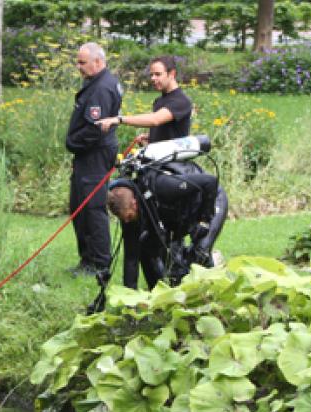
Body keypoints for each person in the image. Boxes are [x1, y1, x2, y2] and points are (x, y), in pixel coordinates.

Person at [106, 165, 227, 290]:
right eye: (123, 219)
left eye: (129, 216)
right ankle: (157, 291)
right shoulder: (129, 214)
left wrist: (204, 220)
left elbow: (210, 181)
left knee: (200, 253)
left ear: (134, 203)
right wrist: (129, 298)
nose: (126, 221)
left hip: (211, 201)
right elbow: (131, 258)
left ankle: (213, 262)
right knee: (149, 249)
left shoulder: (162, 186)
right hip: (179, 217)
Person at [65, 42, 123, 277]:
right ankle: (87, 260)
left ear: (98, 62)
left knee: (92, 207)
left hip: (95, 155)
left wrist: (72, 143)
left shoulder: (101, 88)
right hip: (89, 155)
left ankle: (99, 264)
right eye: (78, 62)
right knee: (79, 207)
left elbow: (95, 128)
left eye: (82, 62)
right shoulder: (98, 82)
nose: (78, 67)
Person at [96, 56, 192, 144]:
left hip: (173, 162)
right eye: (151, 75)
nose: (153, 78)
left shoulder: (181, 101)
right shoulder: (159, 100)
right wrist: (150, 137)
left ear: (172, 74)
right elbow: (169, 131)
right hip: (158, 159)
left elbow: (155, 120)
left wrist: (119, 119)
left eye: (158, 74)